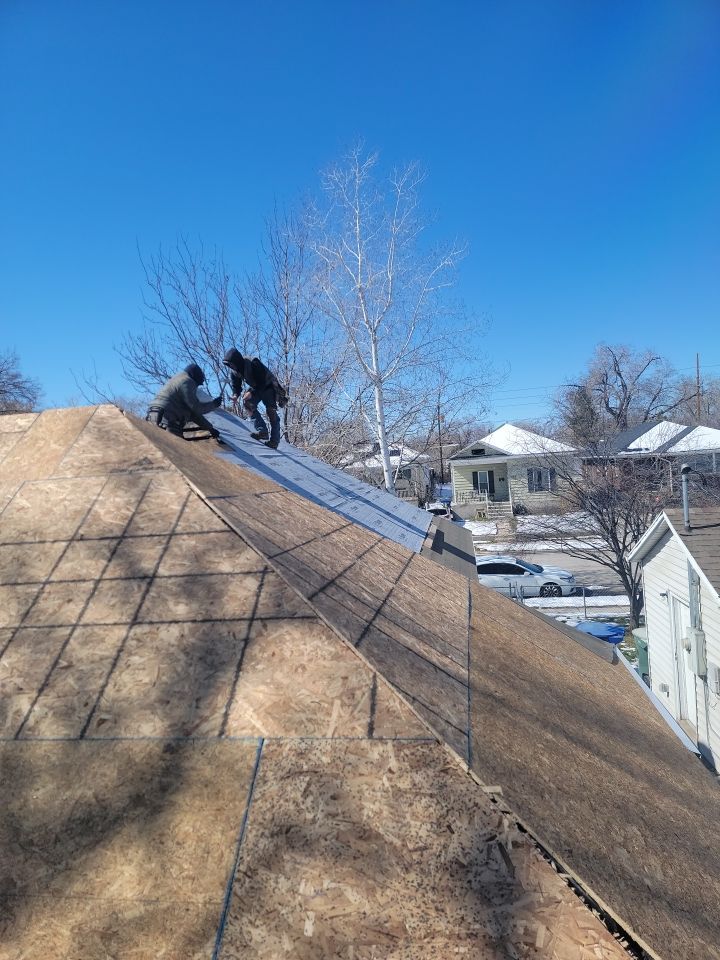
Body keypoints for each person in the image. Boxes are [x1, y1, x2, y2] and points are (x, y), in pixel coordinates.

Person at [222, 347, 288, 449]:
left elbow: (261, 381)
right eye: (229, 365)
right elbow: (236, 386)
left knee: (271, 412)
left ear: (237, 360)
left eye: (232, 364)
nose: (231, 366)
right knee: (247, 403)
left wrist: (251, 392)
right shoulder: (234, 371)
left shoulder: (253, 362)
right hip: (256, 387)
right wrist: (235, 395)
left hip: (268, 385)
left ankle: (274, 441)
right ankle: (262, 431)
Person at [145, 363, 224, 442]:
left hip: (153, 415)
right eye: (197, 384)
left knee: (156, 446)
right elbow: (196, 408)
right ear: (195, 378)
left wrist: (210, 428)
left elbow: (194, 414)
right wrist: (214, 404)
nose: (196, 387)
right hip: (167, 419)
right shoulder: (188, 382)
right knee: (175, 448)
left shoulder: (178, 378)